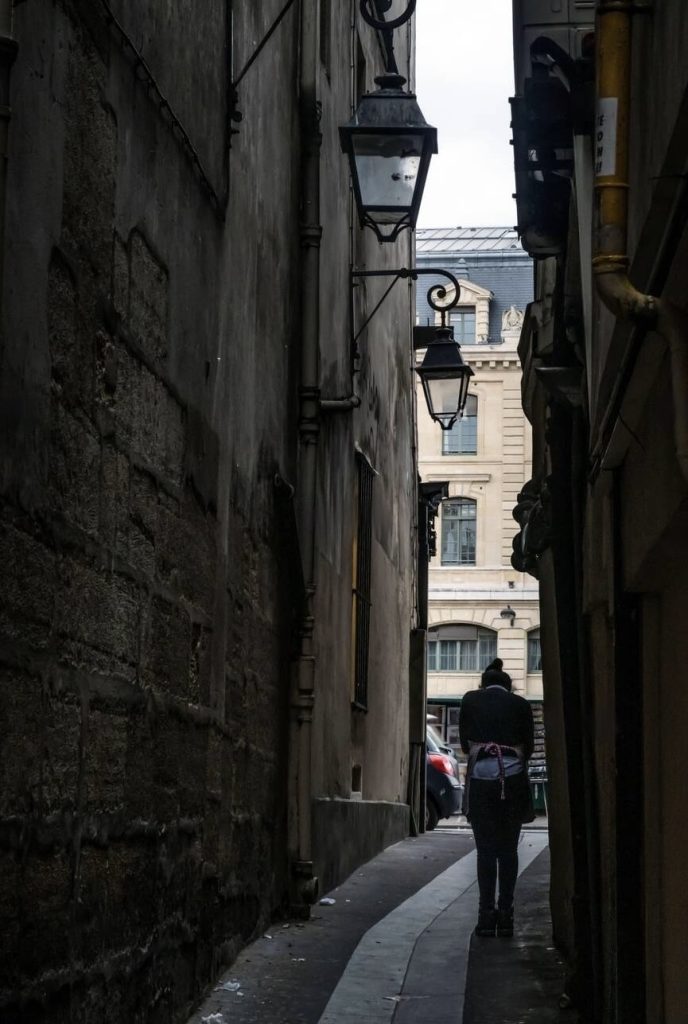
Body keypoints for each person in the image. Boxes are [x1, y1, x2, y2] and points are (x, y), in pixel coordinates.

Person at [459, 667, 534, 937]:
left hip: (481, 780)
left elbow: (466, 745)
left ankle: (485, 914)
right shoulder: (521, 705)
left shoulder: (470, 700)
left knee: (486, 851)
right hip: (512, 780)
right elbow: (530, 746)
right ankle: (506, 914)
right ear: (508, 686)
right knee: (508, 850)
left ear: (483, 684)